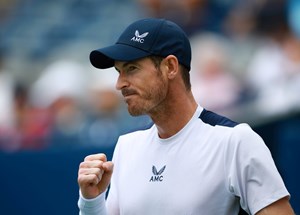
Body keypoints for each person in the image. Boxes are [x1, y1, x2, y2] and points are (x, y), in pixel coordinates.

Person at [77, 18, 294, 214]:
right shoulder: (126, 147)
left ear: (170, 67)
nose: (119, 84)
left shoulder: (235, 141)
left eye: (132, 68)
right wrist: (91, 201)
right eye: (118, 72)